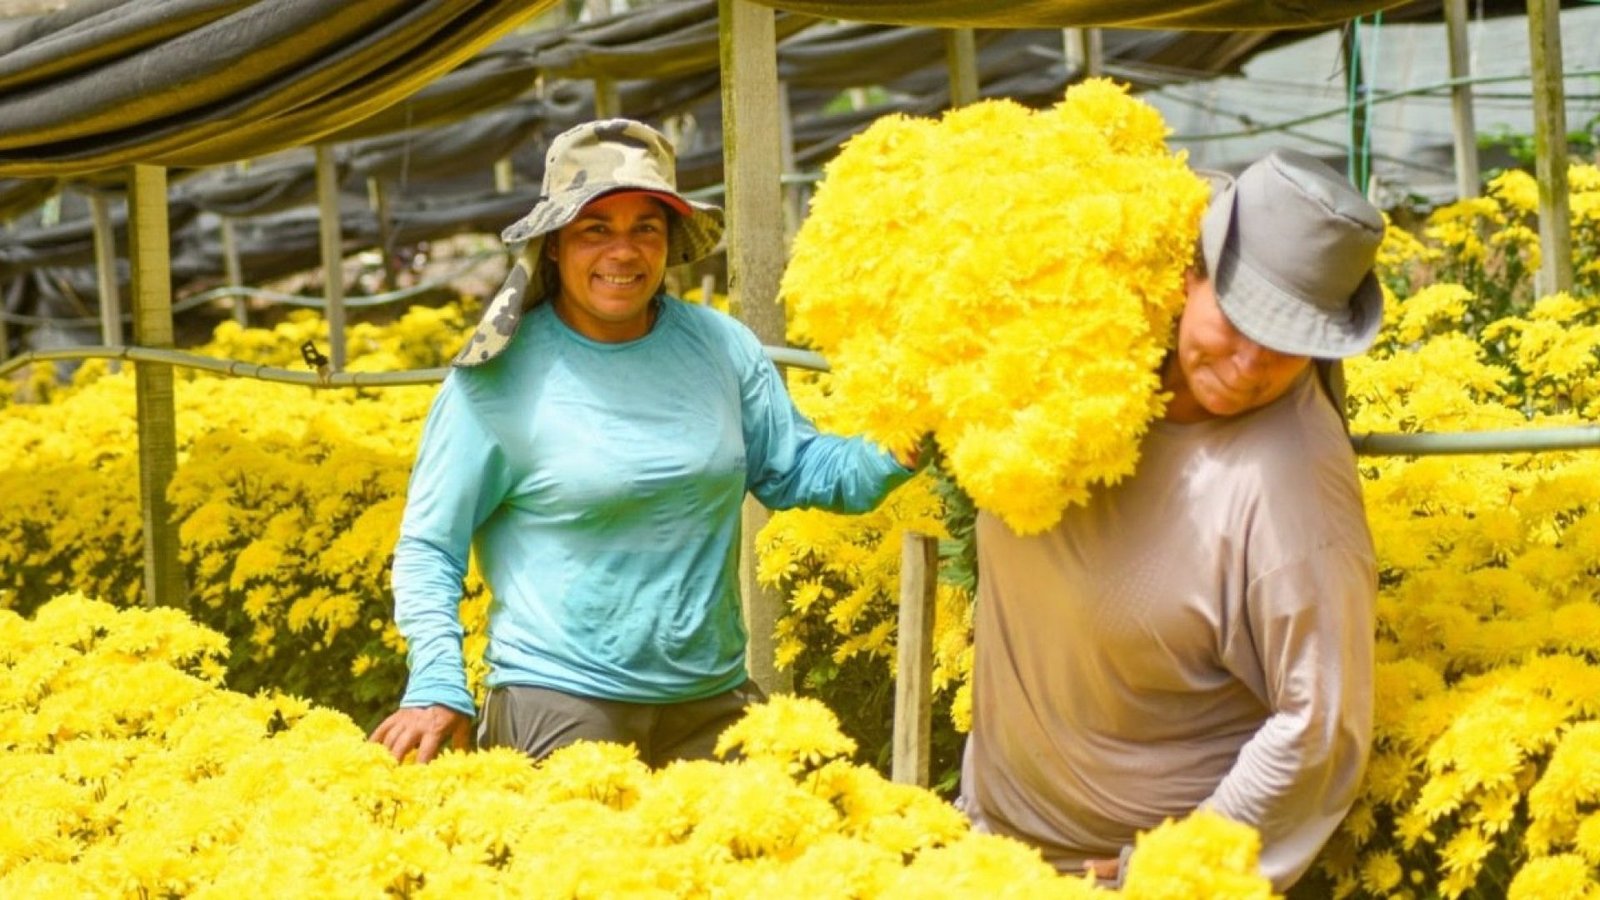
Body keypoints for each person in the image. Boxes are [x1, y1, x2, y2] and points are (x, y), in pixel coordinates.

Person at [370, 119, 914, 768]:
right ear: (552, 246)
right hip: (562, 696)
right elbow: (431, 545)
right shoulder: (495, 378)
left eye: (644, 228)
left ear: (669, 242)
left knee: (785, 848)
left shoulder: (721, 346)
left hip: (711, 695)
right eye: (595, 229)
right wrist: (436, 684)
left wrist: (898, 444)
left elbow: (796, 467)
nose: (622, 252)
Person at [957, 148, 1381, 891]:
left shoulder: (1293, 484)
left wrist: (1166, 871)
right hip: (985, 850)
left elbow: (1318, 728)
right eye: (1241, 319)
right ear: (1190, 277)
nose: (1252, 362)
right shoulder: (1077, 353)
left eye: (1289, 344)